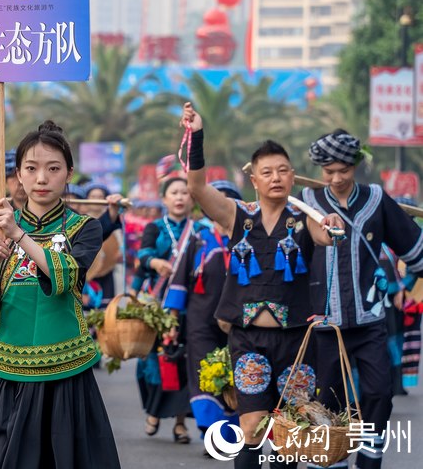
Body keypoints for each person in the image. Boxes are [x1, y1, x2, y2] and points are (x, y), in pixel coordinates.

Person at [180, 102, 343, 469]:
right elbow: (196, 186)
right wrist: (196, 135)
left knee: (288, 430)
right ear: (253, 180)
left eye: (283, 170)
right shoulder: (236, 214)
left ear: (293, 175)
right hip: (248, 339)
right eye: (266, 172)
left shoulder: (305, 216)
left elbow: (325, 235)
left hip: (297, 341)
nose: (275, 177)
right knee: (251, 426)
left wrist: (330, 223)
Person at [0, 121, 120, 469]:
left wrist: (18, 234)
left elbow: (66, 278)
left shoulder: (85, 228)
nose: (42, 178)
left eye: (53, 168)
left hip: (63, 375)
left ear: (69, 173)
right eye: (31, 169)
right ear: (18, 174)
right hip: (4, 372)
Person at [302, 130, 423, 469]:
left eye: (344, 170)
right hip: (326, 324)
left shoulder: (376, 199)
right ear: (320, 170)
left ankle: (369, 458)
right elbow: (294, 257)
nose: (337, 178)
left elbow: (411, 245)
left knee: (379, 392)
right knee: (328, 400)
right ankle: (332, 460)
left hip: (370, 319)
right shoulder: (307, 203)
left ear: (355, 166)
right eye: (329, 172)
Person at [164, 180, 242, 451]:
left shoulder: (248, 240)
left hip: (239, 324)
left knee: (236, 379)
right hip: (200, 323)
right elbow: (179, 283)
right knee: (203, 376)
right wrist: (172, 322)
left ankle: (230, 436)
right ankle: (212, 434)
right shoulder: (199, 241)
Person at [134, 175, 197, 444]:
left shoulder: (200, 229)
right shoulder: (155, 228)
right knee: (151, 362)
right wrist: (156, 263)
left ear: (193, 198)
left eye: (185, 192)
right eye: (175, 192)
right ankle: (154, 412)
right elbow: (142, 258)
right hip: (157, 306)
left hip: (189, 308)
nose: (180, 197)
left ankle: (180, 424)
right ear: (164, 199)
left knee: (182, 362)